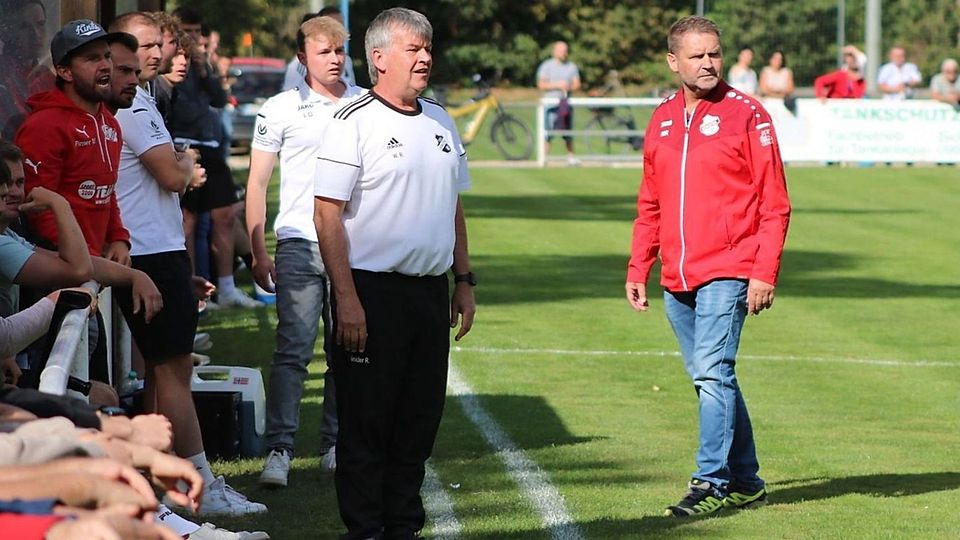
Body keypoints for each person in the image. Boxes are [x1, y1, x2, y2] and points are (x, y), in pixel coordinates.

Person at [313, 7, 476, 538]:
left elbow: (453, 204)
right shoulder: (352, 121)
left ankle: (403, 526)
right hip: (371, 292)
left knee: (418, 421)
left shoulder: (440, 120)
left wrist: (464, 280)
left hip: (430, 293)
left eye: (427, 47)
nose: (425, 56)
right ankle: (365, 530)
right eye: (413, 48)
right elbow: (326, 213)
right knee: (367, 425)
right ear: (379, 58)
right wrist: (348, 299)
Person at [626, 15, 790, 518]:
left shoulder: (748, 114)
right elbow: (650, 201)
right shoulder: (662, 118)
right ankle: (746, 480)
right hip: (677, 274)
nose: (708, 64)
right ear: (674, 61)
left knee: (712, 374)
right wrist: (639, 266)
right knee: (711, 375)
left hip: (730, 266)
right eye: (697, 56)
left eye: (714, 53)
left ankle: (710, 482)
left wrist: (763, 270)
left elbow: (775, 202)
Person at [108, 12, 268, 522]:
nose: (157, 54)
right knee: (173, 369)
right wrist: (186, 167)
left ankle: (164, 482)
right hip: (149, 250)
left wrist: (180, 164)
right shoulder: (133, 102)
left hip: (157, 248)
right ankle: (201, 483)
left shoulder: (145, 97)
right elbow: (173, 174)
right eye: (146, 45)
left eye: (161, 45)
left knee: (163, 371)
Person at [248, 15, 365, 488]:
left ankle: (335, 445)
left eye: (340, 51)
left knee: (346, 350)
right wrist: (258, 250)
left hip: (353, 246)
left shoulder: (364, 106)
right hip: (298, 240)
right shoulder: (278, 109)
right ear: (302, 58)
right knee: (293, 350)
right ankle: (280, 449)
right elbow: (256, 182)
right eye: (324, 51)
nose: (335, 59)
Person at [14, 19, 132, 264]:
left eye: (107, 56)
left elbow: (106, 191)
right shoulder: (44, 125)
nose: (105, 66)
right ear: (65, 71)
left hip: (96, 261)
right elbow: (36, 207)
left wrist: (119, 238)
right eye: (92, 59)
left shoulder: (109, 123)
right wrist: (80, 258)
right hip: (58, 263)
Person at [169, 7, 261, 308]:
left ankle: (227, 286)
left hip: (209, 145)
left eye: (197, 32)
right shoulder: (172, 64)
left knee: (226, 213)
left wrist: (206, 67)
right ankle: (194, 291)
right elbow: (181, 109)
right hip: (183, 146)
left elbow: (220, 100)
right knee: (188, 222)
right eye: (188, 31)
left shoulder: (199, 63)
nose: (194, 38)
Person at [0, 0, 56, 139]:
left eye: (40, 24)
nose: (35, 34)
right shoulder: (3, 75)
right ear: (7, 31)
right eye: (24, 27)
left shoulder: (47, 76)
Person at [283, 6, 356, 91]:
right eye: (324, 52)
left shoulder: (347, 61)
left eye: (341, 25)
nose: (337, 29)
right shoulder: (298, 65)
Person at [537, 40, 581, 166]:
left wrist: (568, 87)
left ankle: (571, 157)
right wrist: (557, 85)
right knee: (548, 130)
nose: (564, 53)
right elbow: (541, 84)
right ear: (554, 51)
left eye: (565, 50)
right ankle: (544, 157)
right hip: (551, 104)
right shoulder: (546, 66)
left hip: (565, 103)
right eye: (561, 50)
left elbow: (577, 84)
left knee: (567, 130)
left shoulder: (571, 66)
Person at [758, 49, 794, 116]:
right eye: (775, 58)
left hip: (783, 103)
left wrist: (772, 90)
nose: (778, 61)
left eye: (780, 59)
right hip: (768, 103)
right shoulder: (765, 71)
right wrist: (780, 92)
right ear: (770, 59)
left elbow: (790, 89)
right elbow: (763, 89)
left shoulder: (787, 72)